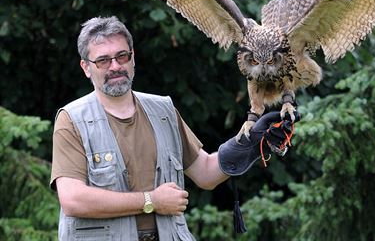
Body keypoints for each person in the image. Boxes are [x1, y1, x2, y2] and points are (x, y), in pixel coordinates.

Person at [50, 16, 296, 241]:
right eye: (103, 60)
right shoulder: (72, 119)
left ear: (133, 57)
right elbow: (73, 200)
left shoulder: (163, 111)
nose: (115, 66)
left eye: (122, 56)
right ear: (86, 67)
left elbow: (206, 173)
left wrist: (254, 141)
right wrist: (151, 201)